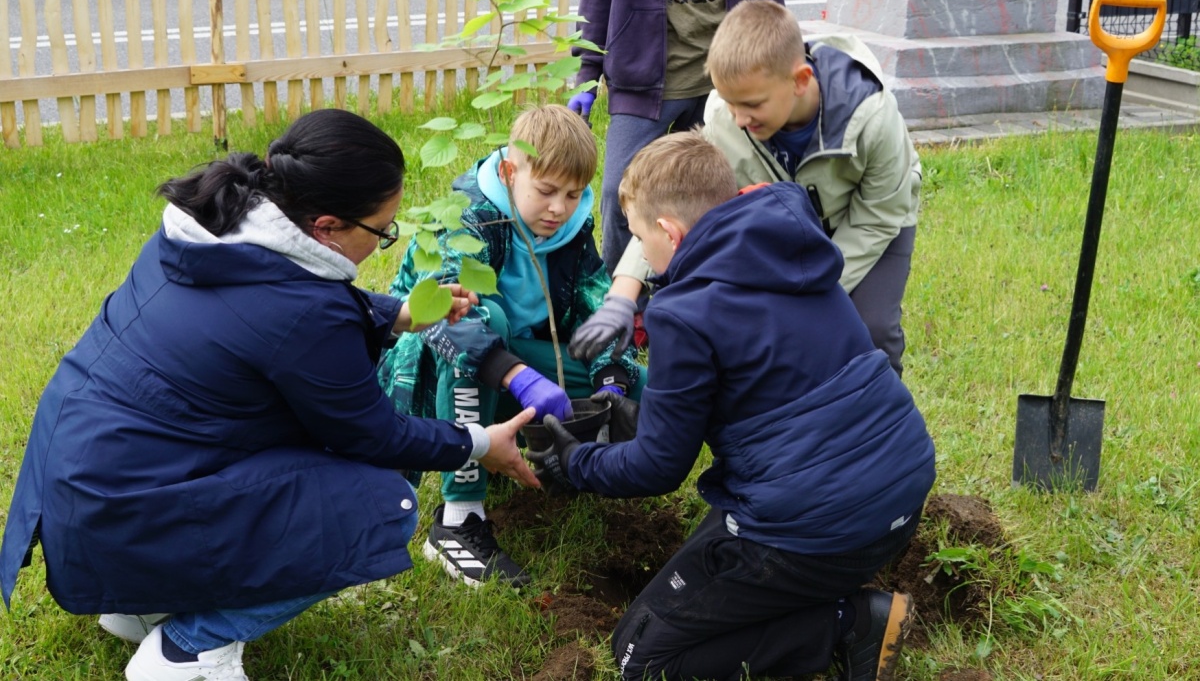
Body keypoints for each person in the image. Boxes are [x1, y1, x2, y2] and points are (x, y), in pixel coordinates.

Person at [0, 109, 540, 681]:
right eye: (382, 232)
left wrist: (397, 314)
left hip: (86, 487)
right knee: (382, 504)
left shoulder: (210, 228)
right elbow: (371, 433)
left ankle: (141, 606)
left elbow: (271, 318)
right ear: (327, 226)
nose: (383, 241)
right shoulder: (302, 312)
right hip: (120, 514)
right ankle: (186, 651)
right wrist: (480, 443)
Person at [529, 132, 936, 681]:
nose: (643, 258)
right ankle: (823, 597)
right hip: (899, 494)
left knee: (640, 657)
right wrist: (648, 420)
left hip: (816, 528)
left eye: (641, 239)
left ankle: (849, 621)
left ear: (670, 233)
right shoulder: (790, 247)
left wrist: (574, 461)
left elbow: (658, 469)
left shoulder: (684, 310)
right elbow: (764, 381)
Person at [571, 0, 922, 377]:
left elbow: (879, 217)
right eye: (730, 102)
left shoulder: (872, 116)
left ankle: (880, 410)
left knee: (868, 327)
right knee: (761, 330)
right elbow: (677, 202)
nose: (738, 119)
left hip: (870, 221)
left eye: (751, 104)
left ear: (800, 81)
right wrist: (623, 294)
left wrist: (810, 289)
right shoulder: (728, 117)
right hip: (785, 223)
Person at [378, 104, 645, 588]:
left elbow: (598, 303)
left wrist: (612, 379)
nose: (559, 208)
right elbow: (440, 318)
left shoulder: (571, 228)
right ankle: (458, 519)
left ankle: (581, 462)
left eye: (573, 193)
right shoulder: (467, 219)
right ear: (508, 171)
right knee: (487, 319)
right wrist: (517, 375)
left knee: (634, 378)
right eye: (545, 191)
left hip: (515, 361)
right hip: (434, 359)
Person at [568, 0, 784, 275]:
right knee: (617, 196)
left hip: (723, 83)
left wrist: (772, 68)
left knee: (721, 197)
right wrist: (588, 72)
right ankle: (626, 307)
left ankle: (699, 294)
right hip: (641, 75)